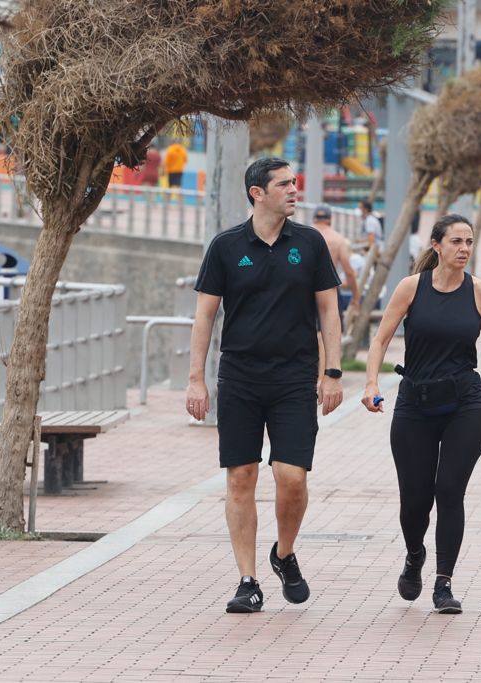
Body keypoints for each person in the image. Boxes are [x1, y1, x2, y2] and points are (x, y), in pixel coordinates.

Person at [186, 157, 344, 614]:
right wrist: (196, 379)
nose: (294, 190)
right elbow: (205, 315)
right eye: (284, 184)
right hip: (240, 376)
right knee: (241, 477)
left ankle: (284, 553)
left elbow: (329, 311)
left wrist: (331, 371)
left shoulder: (310, 244)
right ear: (257, 193)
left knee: (291, 477)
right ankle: (248, 580)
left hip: (295, 376)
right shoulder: (226, 246)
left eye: (294, 183)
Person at [362, 214, 481, 614]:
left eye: (469, 242)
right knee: (415, 500)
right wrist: (371, 384)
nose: (464, 249)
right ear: (436, 246)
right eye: (456, 241)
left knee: (449, 490)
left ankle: (444, 583)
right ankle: (415, 556)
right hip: (415, 402)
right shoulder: (411, 288)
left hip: (466, 401)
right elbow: (380, 339)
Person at [312, 204, 361, 370]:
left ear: (314, 219)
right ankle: (321, 375)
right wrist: (355, 296)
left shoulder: (306, 234)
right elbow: (349, 271)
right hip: (328, 287)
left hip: (304, 287)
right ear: (330, 220)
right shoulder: (337, 239)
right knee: (326, 332)